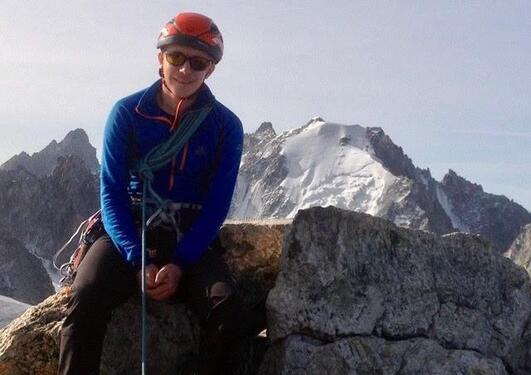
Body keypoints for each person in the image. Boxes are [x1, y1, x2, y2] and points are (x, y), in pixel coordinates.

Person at [58, 11, 244, 375]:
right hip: (131, 226)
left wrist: (180, 263)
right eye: (176, 57)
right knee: (86, 296)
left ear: (211, 69)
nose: (185, 70)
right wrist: (136, 256)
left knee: (230, 311)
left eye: (198, 62)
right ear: (160, 58)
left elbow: (217, 205)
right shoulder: (126, 114)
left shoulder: (226, 127)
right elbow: (111, 192)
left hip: (188, 236)